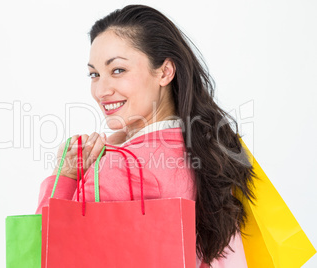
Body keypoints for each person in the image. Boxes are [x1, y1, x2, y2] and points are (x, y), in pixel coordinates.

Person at [36, 4, 255, 267]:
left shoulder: (119, 167)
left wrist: (66, 174)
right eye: (94, 74)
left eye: (118, 70)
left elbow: (41, 254)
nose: (101, 91)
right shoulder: (211, 149)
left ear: (165, 72)